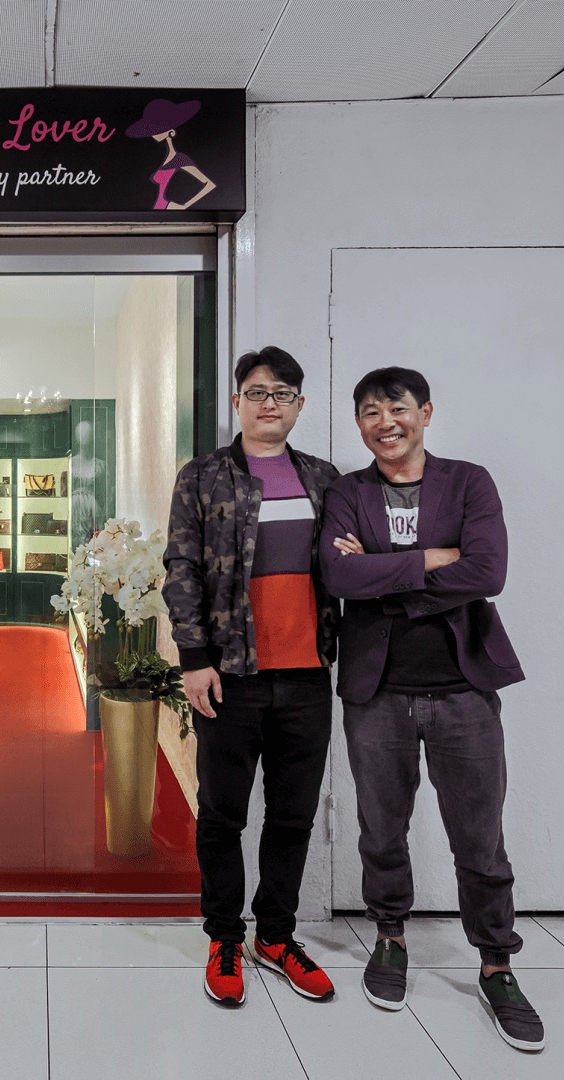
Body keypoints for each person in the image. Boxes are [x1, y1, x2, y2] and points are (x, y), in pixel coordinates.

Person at [318, 366, 545, 1052]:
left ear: (425, 412)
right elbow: (338, 575)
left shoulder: (469, 482)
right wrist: (430, 560)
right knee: (381, 829)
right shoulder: (347, 491)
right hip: (376, 691)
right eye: (369, 412)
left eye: (397, 408)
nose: (384, 422)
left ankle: (497, 964)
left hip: (462, 689)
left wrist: (385, 571)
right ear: (358, 423)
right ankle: (390, 938)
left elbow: (487, 571)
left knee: (479, 838)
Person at [162, 346, 340, 1007]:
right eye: (258, 392)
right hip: (230, 674)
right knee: (221, 814)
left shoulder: (325, 480)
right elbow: (181, 567)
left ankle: (276, 936)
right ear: (237, 401)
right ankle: (223, 937)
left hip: (307, 674)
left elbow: (349, 565)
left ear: (299, 405)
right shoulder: (203, 476)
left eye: (283, 393)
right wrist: (193, 658)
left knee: (293, 816)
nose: (270, 403)